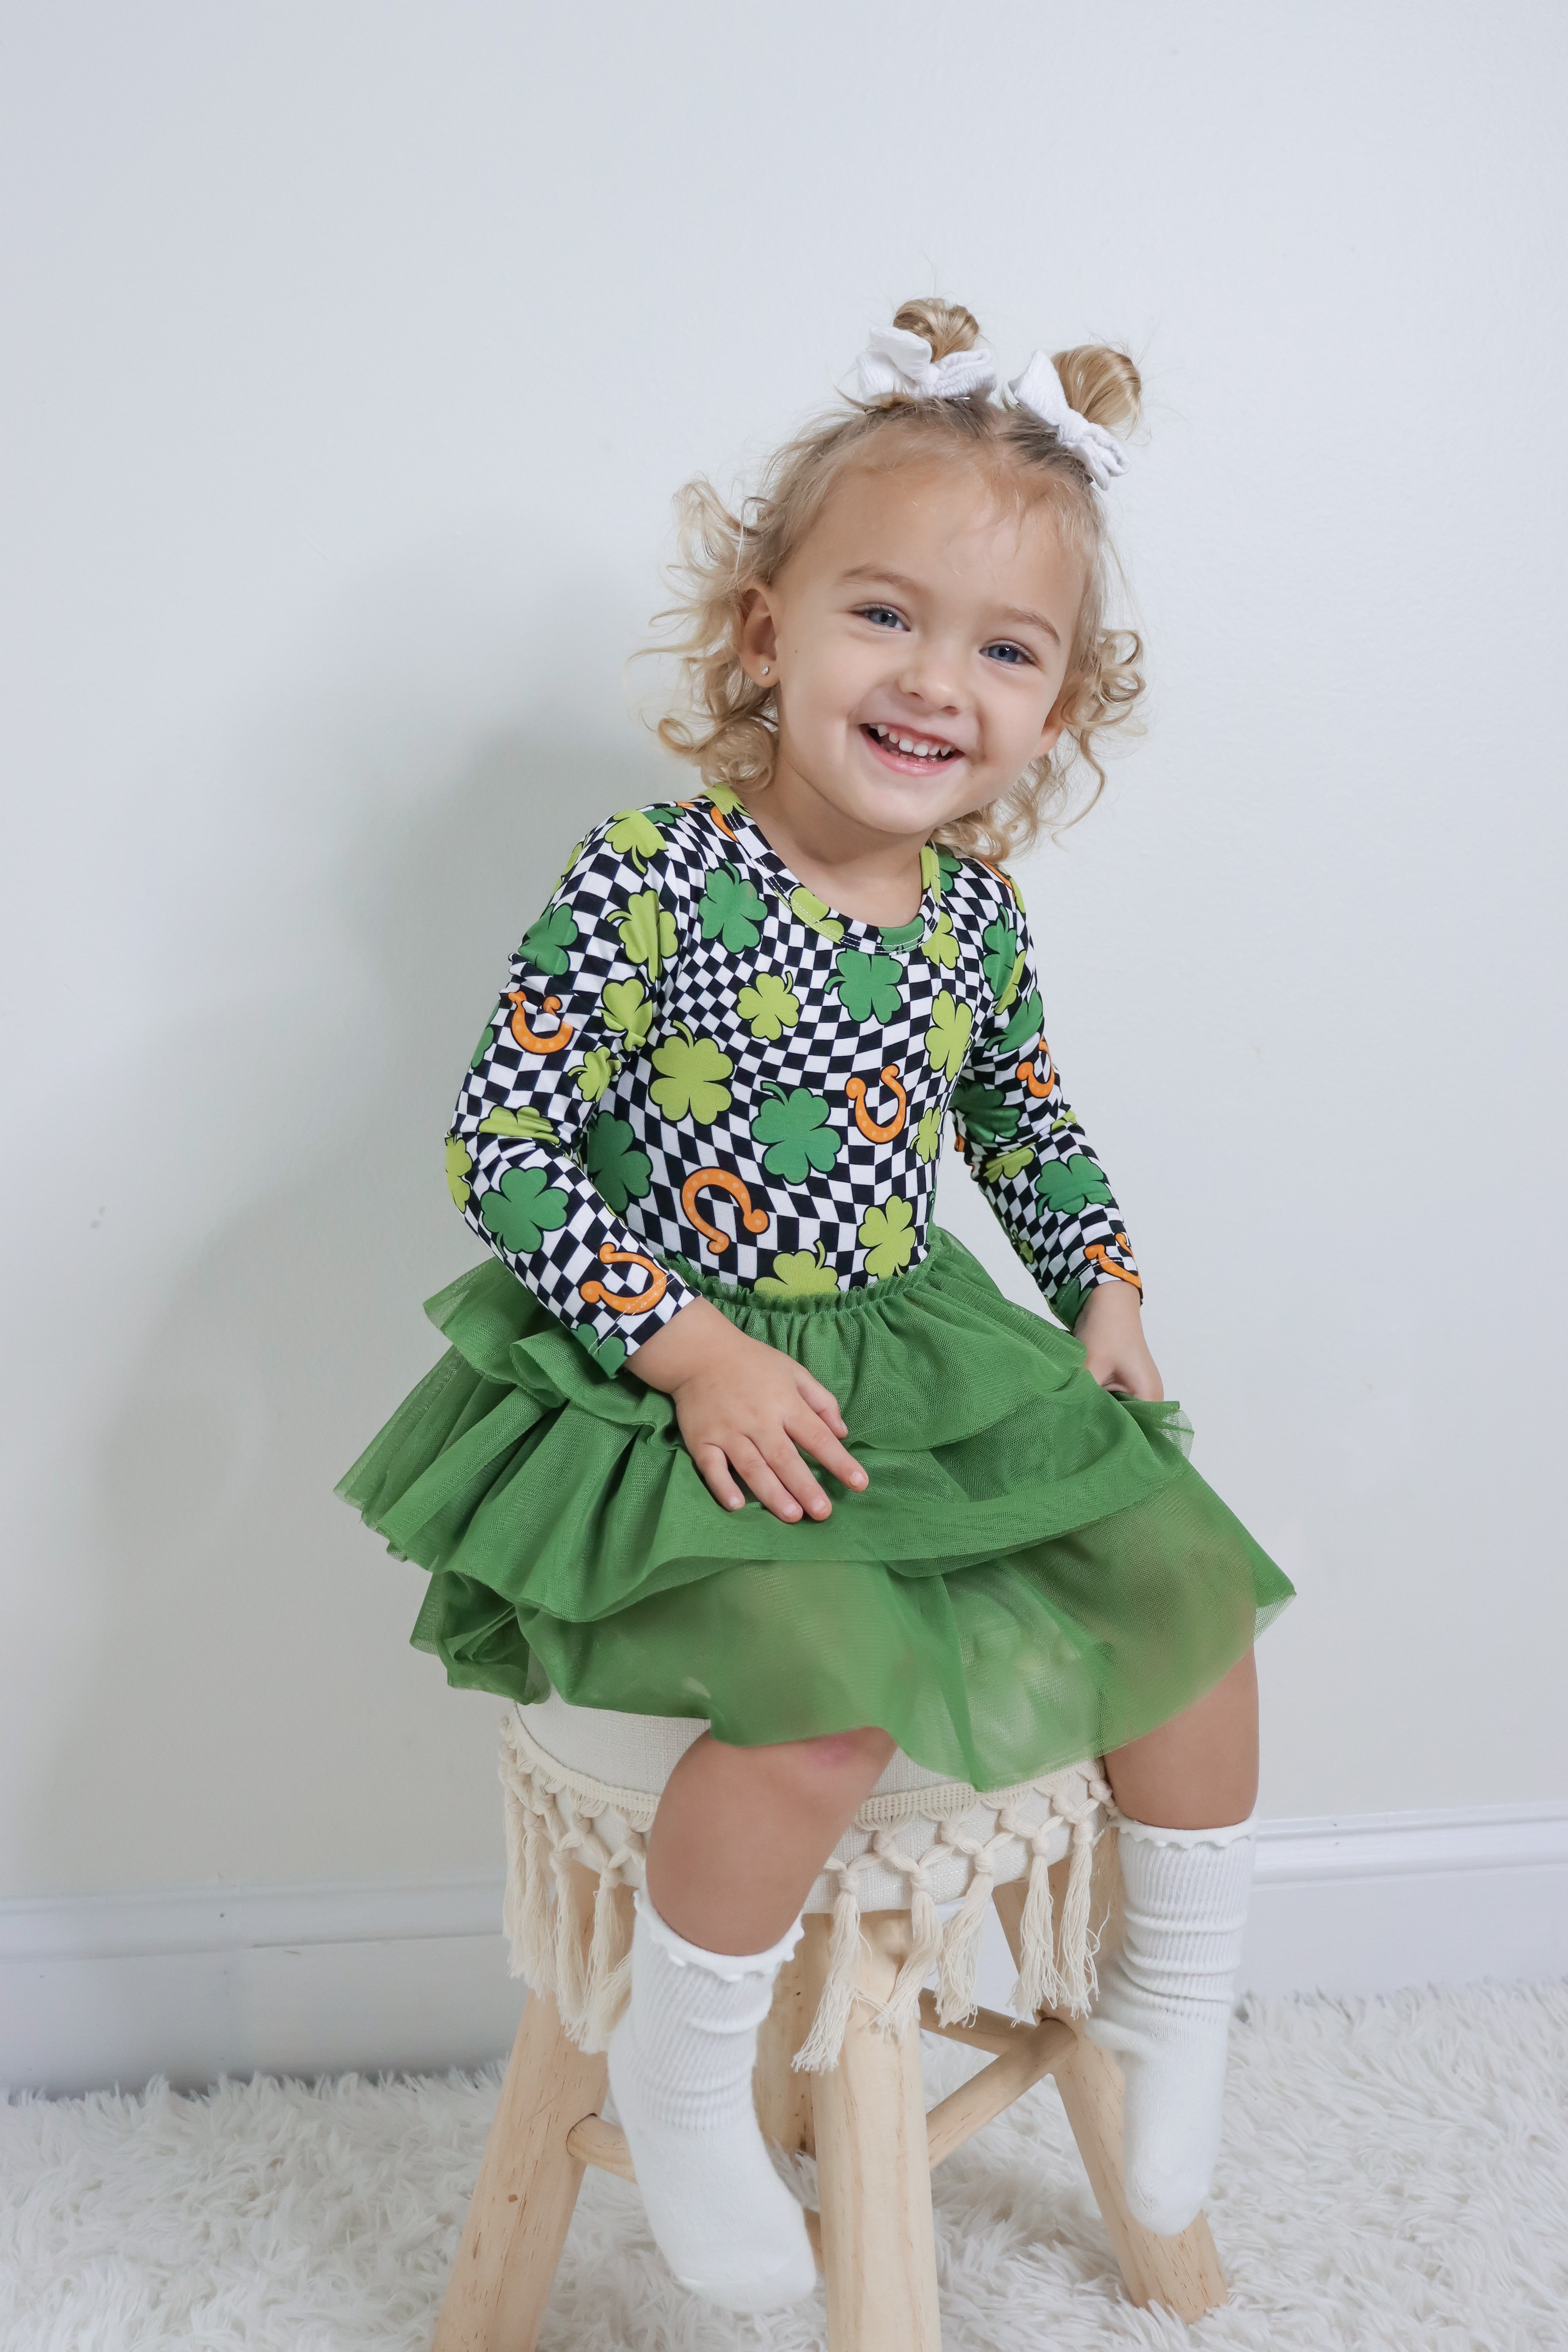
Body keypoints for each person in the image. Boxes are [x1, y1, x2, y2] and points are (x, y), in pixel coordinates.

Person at [339, 298, 1294, 2312]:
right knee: (822, 1694)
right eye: (884, 617)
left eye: (1004, 651)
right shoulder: (649, 876)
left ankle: (1173, 2001)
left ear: (1060, 706)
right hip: (667, 1369)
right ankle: (688, 2075)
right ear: (764, 633)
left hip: (911, 1352)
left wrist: (1102, 1282)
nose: (936, 680)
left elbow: (1021, 1119)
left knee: (1194, 1587)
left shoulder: (973, 913)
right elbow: (504, 1145)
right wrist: (684, 1345)